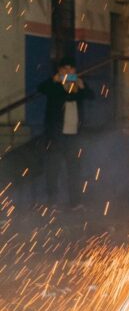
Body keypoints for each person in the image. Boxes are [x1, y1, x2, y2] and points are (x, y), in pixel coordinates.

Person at [37, 56, 94, 209]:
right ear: (60, 70)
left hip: (74, 136)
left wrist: (82, 86)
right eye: (65, 69)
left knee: (74, 170)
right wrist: (55, 80)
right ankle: (52, 201)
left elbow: (91, 95)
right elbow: (41, 88)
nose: (68, 72)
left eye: (71, 69)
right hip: (56, 136)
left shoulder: (77, 87)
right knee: (53, 170)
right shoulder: (55, 87)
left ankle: (75, 202)